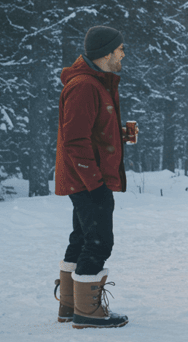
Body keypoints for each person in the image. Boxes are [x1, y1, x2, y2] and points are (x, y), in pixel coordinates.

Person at [53, 25, 130, 329]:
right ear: (106, 53)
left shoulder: (96, 83)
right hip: (88, 179)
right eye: (120, 49)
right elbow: (74, 140)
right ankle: (88, 312)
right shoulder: (85, 85)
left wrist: (120, 135)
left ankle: (70, 308)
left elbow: (90, 131)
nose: (123, 53)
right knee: (99, 242)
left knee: (83, 238)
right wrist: (95, 183)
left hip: (85, 177)